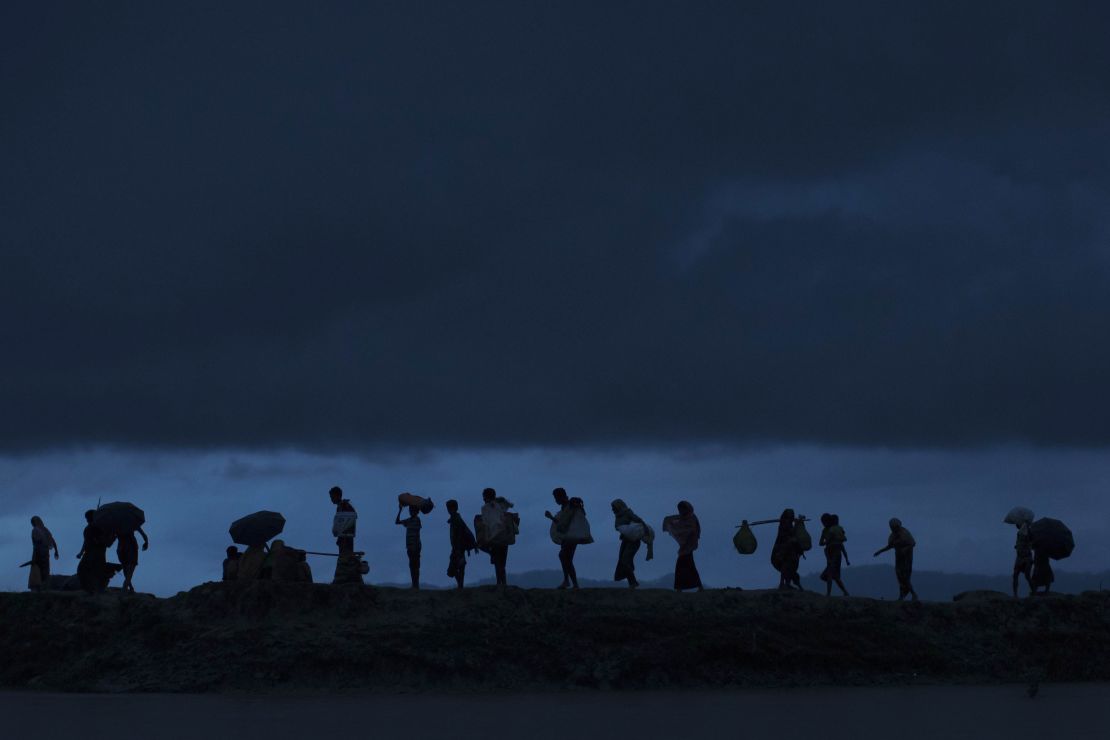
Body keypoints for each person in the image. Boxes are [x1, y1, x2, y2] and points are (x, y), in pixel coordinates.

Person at [662, 501, 703, 592]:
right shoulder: (683, 518)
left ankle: (679, 588)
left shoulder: (691, 518)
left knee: (681, 566)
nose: (680, 511)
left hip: (689, 546)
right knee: (690, 566)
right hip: (685, 547)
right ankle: (698, 587)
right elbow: (679, 525)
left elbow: (691, 530)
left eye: (682, 509)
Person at [545, 487, 581, 589]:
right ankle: (570, 582)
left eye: (556, 498)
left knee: (564, 557)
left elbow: (564, 524)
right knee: (566, 558)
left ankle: (570, 582)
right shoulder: (567, 506)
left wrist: (551, 517)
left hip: (571, 536)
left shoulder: (570, 506)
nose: (555, 500)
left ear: (560, 497)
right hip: (568, 537)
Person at [874, 518, 918, 601]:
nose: (893, 529)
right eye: (892, 527)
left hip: (906, 559)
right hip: (898, 558)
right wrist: (880, 551)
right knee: (899, 576)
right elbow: (890, 546)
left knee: (905, 577)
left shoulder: (905, 533)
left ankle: (913, 593)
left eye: (894, 527)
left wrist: (905, 549)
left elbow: (912, 543)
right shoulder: (893, 536)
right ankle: (902, 595)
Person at [480, 488, 516, 586]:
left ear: (486, 497)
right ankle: (503, 583)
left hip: (494, 536)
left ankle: (499, 583)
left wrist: (486, 538)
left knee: (497, 561)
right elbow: (510, 506)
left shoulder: (485, 508)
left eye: (484, 497)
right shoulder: (501, 505)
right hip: (504, 535)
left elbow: (486, 524)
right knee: (501, 562)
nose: (483, 499)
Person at [611, 499, 646, 589]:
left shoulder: (627, 513)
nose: (612, 509)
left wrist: (645, 529)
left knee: (625, 560)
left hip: (633, 542)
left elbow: (638, 520)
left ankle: (633, 582)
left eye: (614, 507)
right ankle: (632, 583)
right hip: (625, 541)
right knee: (623, 561)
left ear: (619, 506)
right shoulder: (618, 516)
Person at [76, 510, 112, 594]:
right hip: (91, 553)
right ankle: (91, 590)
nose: (86, 520)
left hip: (96, 553)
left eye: (87, 518)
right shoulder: (90, 528)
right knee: (85, 570)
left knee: (85, 570)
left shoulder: (99, 527)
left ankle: (94, 590)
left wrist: (98, 540)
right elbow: (86, 541)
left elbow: (105, 542)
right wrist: (81, 552)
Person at [446, 499, 475, 589]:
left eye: (450, 508)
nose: (449, 510)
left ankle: (460, 585)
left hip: (458, 547)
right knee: (459, 567)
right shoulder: (456, 519)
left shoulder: (456, 520)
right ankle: (460, 585)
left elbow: (458, 535)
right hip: (458, 547)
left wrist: (457, 548)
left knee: (453, 569)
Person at [771, 509, 803, 590]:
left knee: (789, 567)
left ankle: (786, 584)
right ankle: (783, 584)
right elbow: (791, 533)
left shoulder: (787, 523)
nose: (792, 516)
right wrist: (797, 524)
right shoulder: (785, 524)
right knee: (786, 566)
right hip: (784, 549)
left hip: (789, 548)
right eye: (790, 515)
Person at [819, 513, 849, 597]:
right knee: (834, 576)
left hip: (836, 553)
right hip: (829, 553)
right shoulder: (825, 531)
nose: (823, 523)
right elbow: (820, 543)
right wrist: (827, 542)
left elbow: (841, 544)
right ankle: (845, 592)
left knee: (830, 574)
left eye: (825, 521)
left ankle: (829, 593)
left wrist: (846, 558)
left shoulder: (835, 529)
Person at [116, 526, 150, 594]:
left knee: (126, 569)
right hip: (131, 546)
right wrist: (146, 542)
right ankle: (125, 588)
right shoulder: (132, 521)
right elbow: (143, 534)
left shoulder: (117, 523)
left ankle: (130, 587)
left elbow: (111, 537)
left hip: (121, 547)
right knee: (130, 568)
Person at [396, 503, 422, 589]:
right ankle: (414, 584)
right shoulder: (409, 520)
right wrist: (400, 511)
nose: (411, 512)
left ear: (416, 512)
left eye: (412, 510)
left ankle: (416, 584)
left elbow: (417, 530)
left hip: (416, 546)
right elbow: (397, 522)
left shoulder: (417, 520)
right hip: (409, 546)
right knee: (412, 565)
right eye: (410, 510)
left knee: (416, 565)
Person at [30, 516, 59, 588]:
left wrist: (34, 557)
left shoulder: (35, 530)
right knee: (45, 570)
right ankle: (45, 587)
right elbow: (53, 541)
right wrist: (56, 551)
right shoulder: (45, 530)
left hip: (39, 553)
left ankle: (41, 588)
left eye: (32, 522)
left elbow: (36, 545)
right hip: (46, 553)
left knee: (39, 571)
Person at [330, 486, 357, 557]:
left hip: (346, 539)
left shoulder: (345, 505)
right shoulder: (340, 506)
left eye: (332, 497)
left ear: (337, 496)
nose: (331, 499)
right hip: (343, 538)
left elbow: (354, 516)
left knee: (345, 559)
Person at [1012, 520, 1034, 598]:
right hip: (1020, 556)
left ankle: (1034, 592)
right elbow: (1018, 543)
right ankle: (1015, 594)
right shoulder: (1019, 533)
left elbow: (1032, 541)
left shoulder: (1029, 532)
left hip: (1027, 557)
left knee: (1027, 576)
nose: (1016, 525)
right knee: (1015, 575)